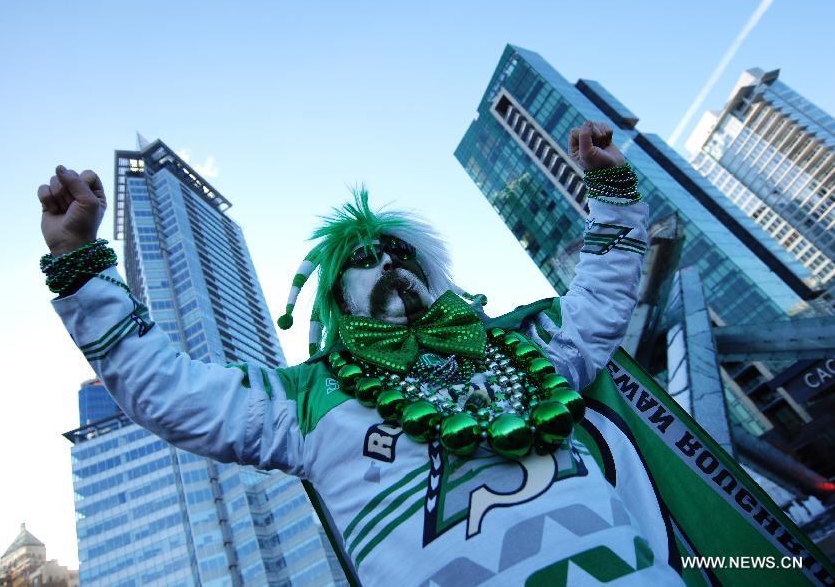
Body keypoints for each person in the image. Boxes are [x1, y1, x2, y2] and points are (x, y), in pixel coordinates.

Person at [38, 121, 684, 585]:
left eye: (400, 253)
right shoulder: (306, 401)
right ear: (338, 301)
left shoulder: (520, 354)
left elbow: (597, 309)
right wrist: (80, 265)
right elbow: (173, 392)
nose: (386, 264)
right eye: (364, 260)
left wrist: (613, 194)